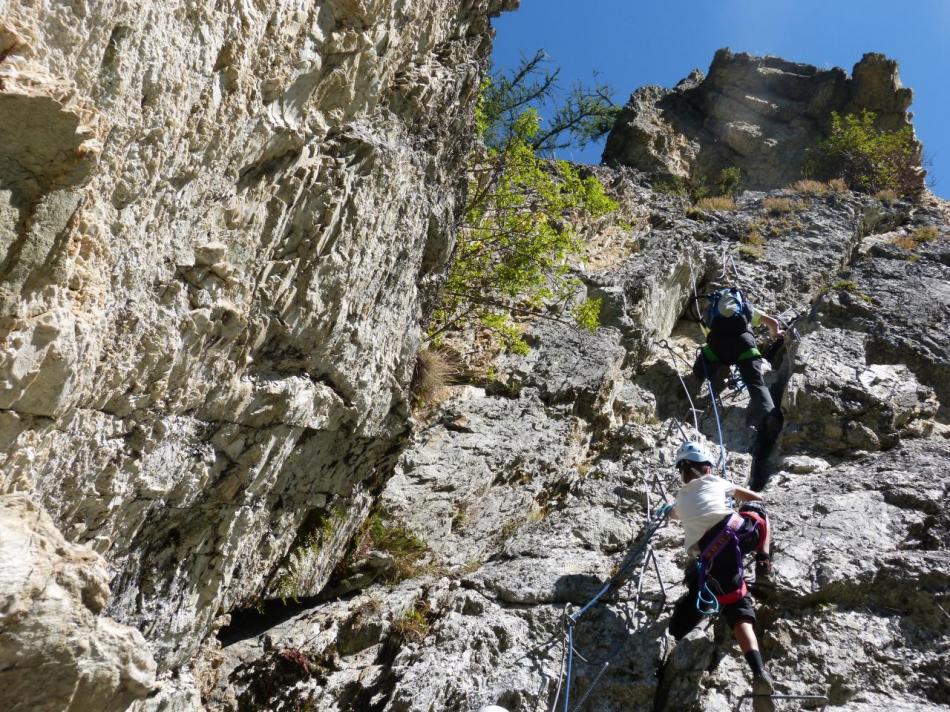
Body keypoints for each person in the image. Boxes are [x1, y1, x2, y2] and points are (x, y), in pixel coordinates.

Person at [665, 441, 776, 712]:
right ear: (704, 467)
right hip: (738, 531)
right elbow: (755, 498)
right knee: (760, 513)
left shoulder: (680, 498)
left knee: (737, 610)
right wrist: (729, 498)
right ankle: (763, 561)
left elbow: (673, 514)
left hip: (711, 556)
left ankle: (758, 670)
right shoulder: (714, 480)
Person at [692, 286, 785, 489]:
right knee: (756, 383)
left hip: (717, 347)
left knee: (701, 369)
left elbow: (707, 335)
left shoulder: (711, 311)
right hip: (744, 345)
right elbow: (773, 322)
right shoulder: (744, 307)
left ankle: (693, 393)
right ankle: (770, 418)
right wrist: (775, 334)